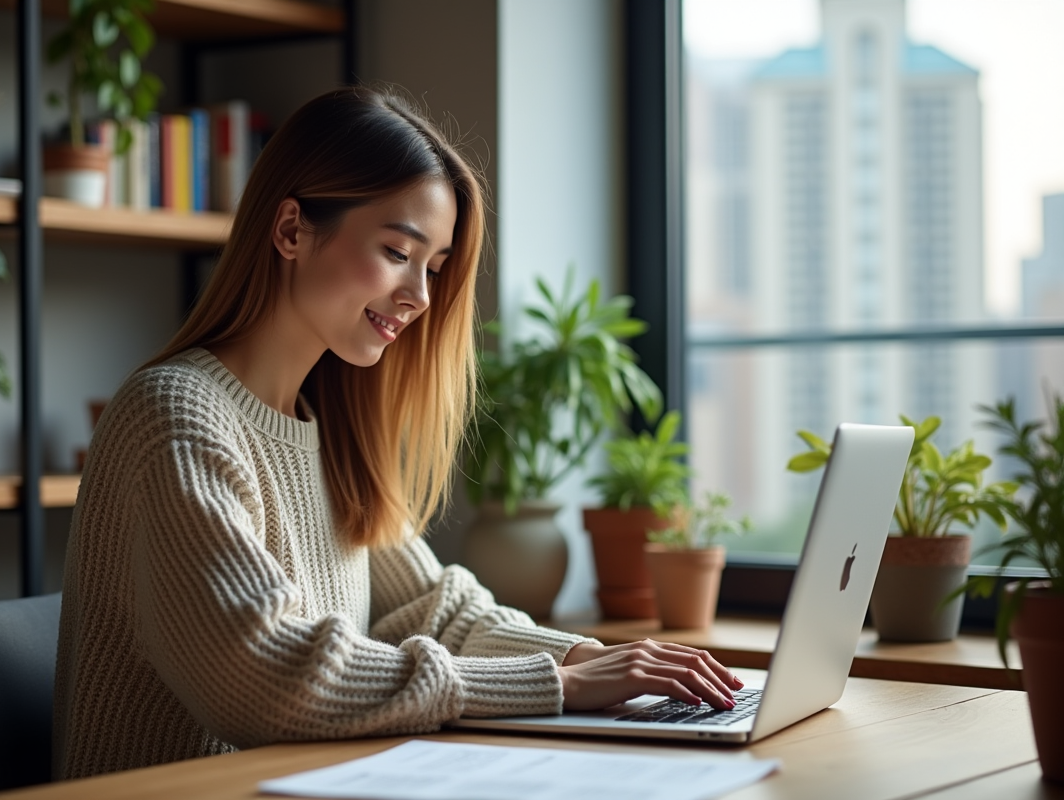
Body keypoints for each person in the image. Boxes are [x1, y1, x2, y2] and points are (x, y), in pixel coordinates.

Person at [53, 85, 742, 780]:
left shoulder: (325, 425)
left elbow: (434, 612)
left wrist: (582, 658)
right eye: (396, 252)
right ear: (291, 230)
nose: (421, 296)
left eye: (434, 268)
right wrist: (553, 687)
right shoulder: (174, 415)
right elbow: (263, 675)